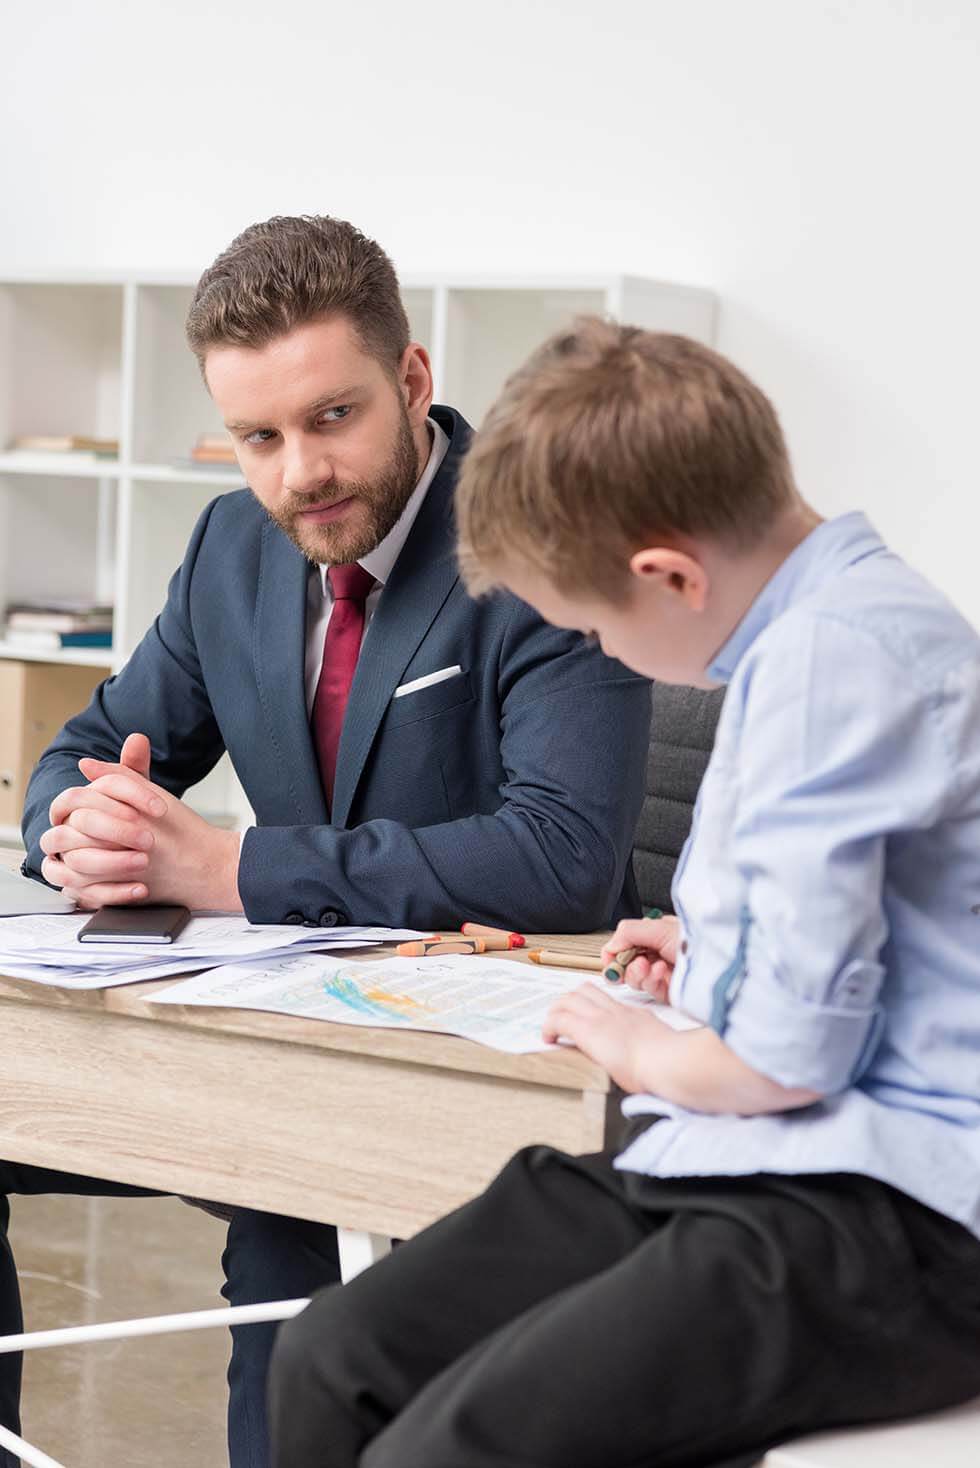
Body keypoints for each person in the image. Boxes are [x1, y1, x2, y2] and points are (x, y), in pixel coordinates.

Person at [267, 319, 980, 1468]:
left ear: (666, 577)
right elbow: (870, 936)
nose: (597, 646)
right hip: (759, 1161)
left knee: (443, 1451)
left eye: (593, 627)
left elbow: (785, 1061)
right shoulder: (809, 628)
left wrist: (629, 1043)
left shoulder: (825, 666)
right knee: (336, 1357)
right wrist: (708, 953)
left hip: (894, 1211)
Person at [8, 222, 652, 1468]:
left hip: (474, 1078)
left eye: (333, 415)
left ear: (413, 381)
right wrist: (76, 829)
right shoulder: (231, 548)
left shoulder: (545, 540)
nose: (299, 470)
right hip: (264, 1029)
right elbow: (88, 742)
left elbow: (562, 852)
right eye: (259, 436)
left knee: (288, 1246)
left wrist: (226, 867)